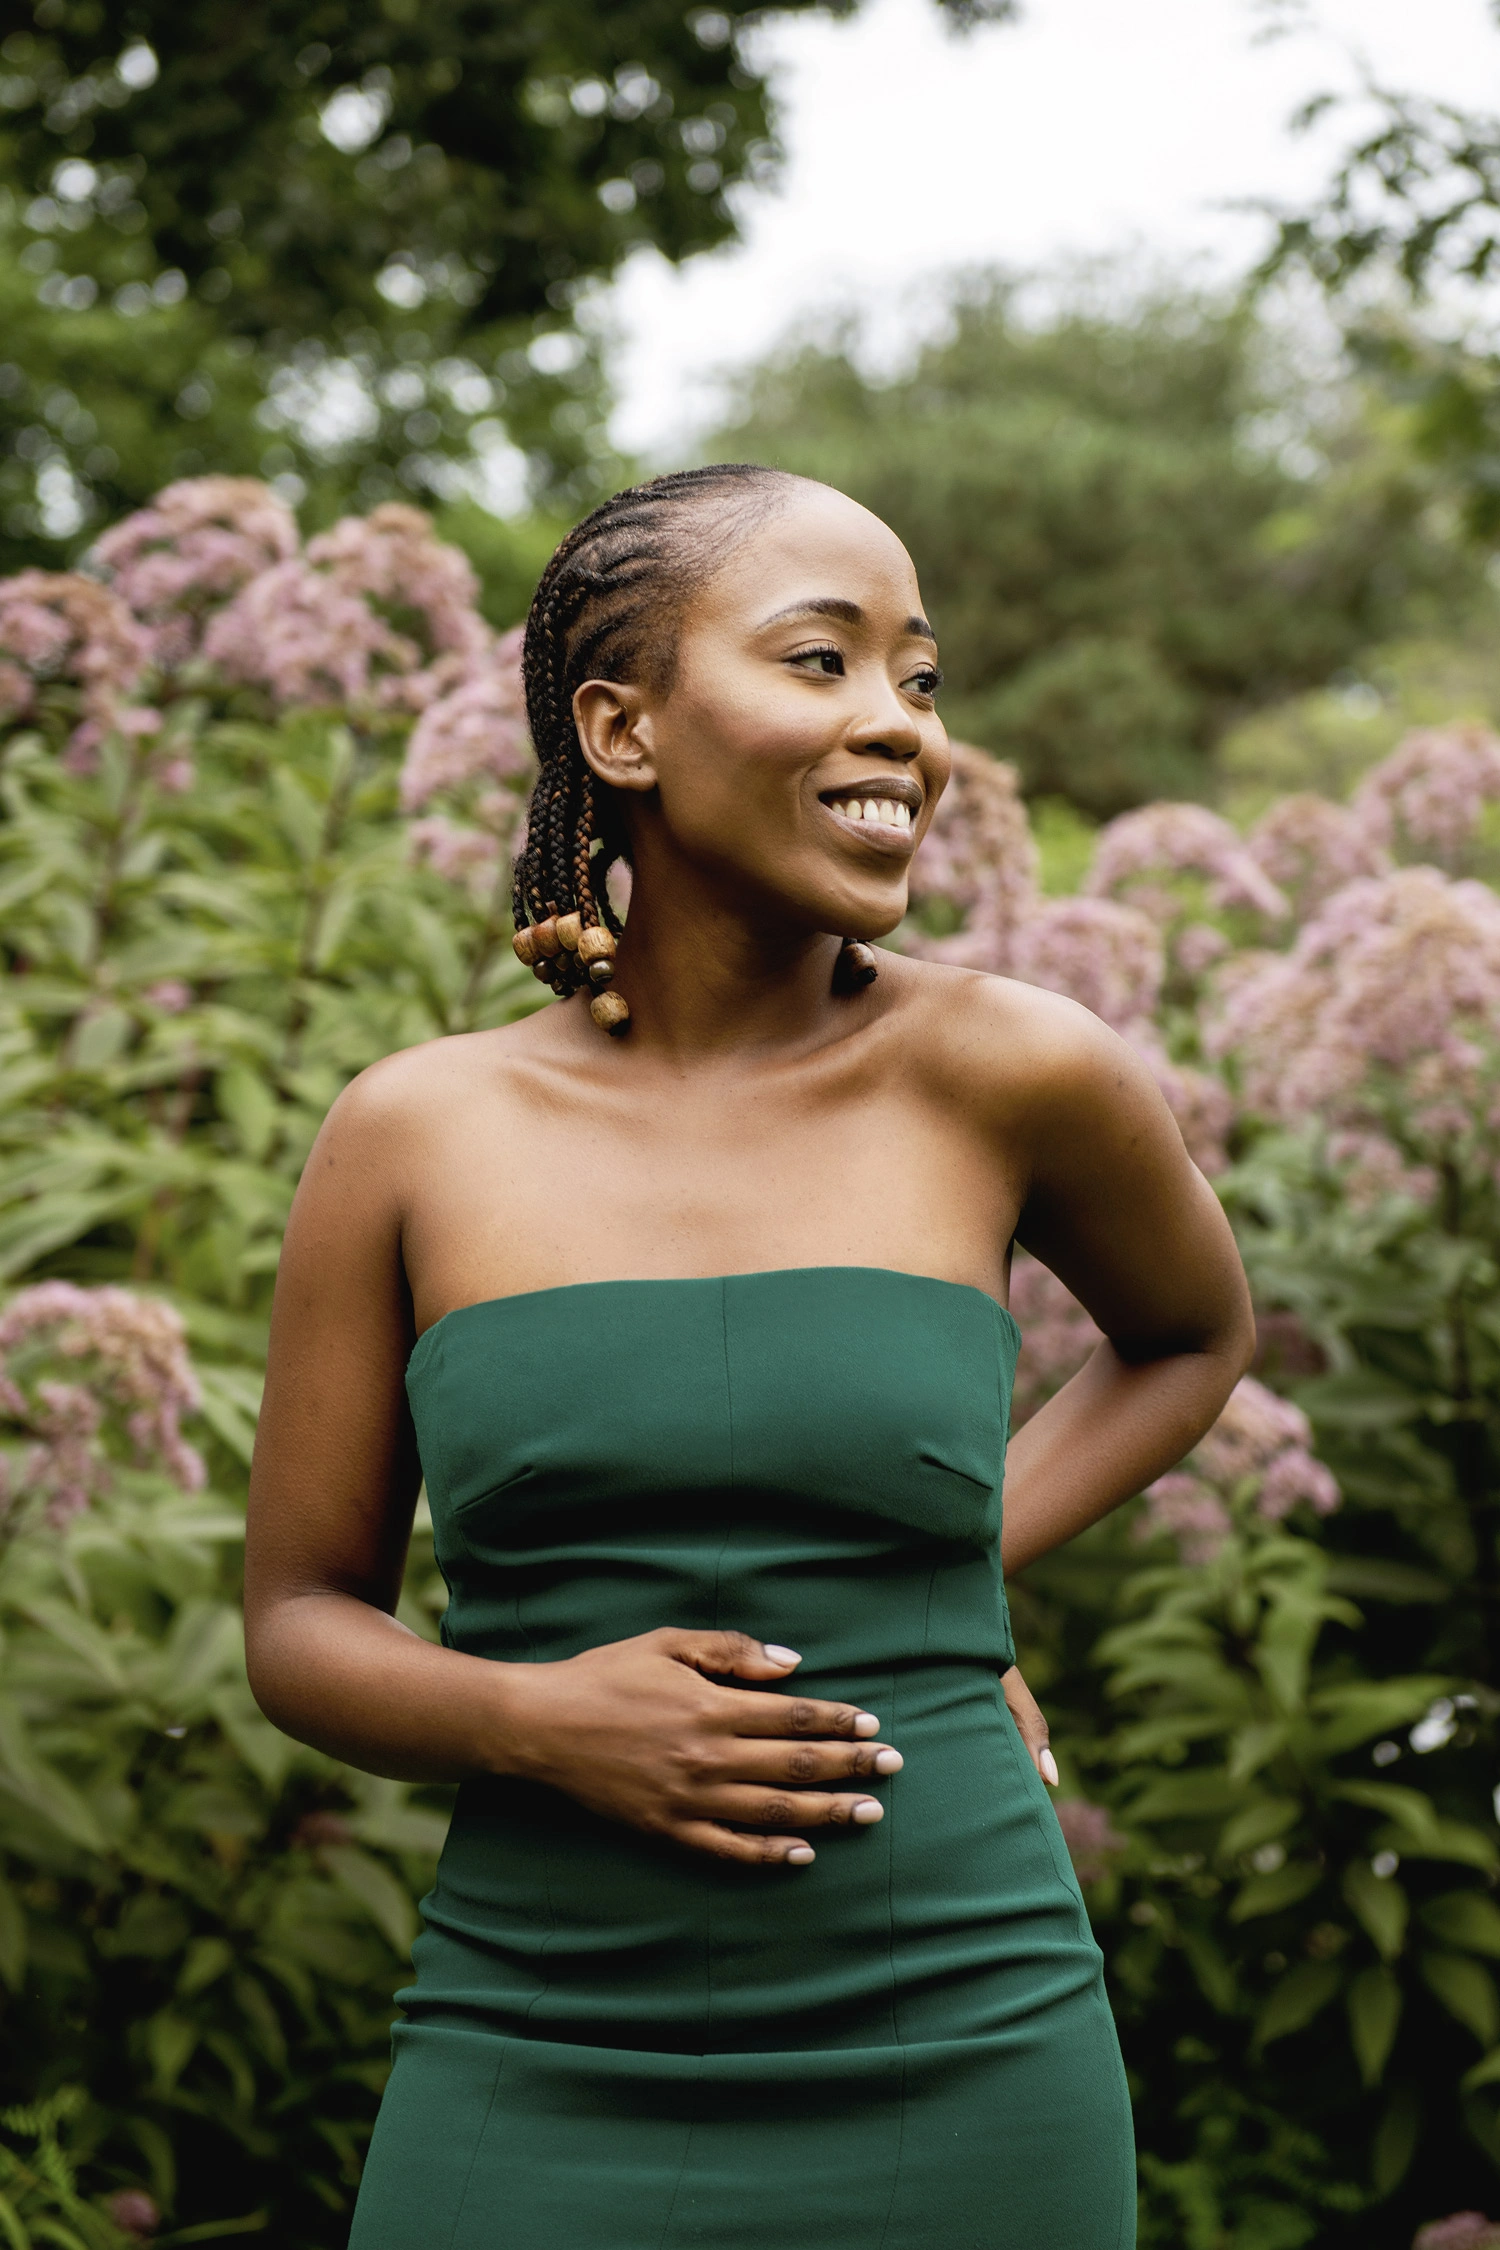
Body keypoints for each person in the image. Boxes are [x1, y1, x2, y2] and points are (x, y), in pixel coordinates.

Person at [244, 465, 1255, 2250]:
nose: (902, 730)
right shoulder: (411, 1132)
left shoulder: (1015, 1070)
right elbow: (299, 1621)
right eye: (823, 661)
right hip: (529, 2046)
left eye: (921, 680)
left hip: (965, 2038)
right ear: (621, 727)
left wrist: (956, 1560)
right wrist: (536, 1717)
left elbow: (1191, 1336)